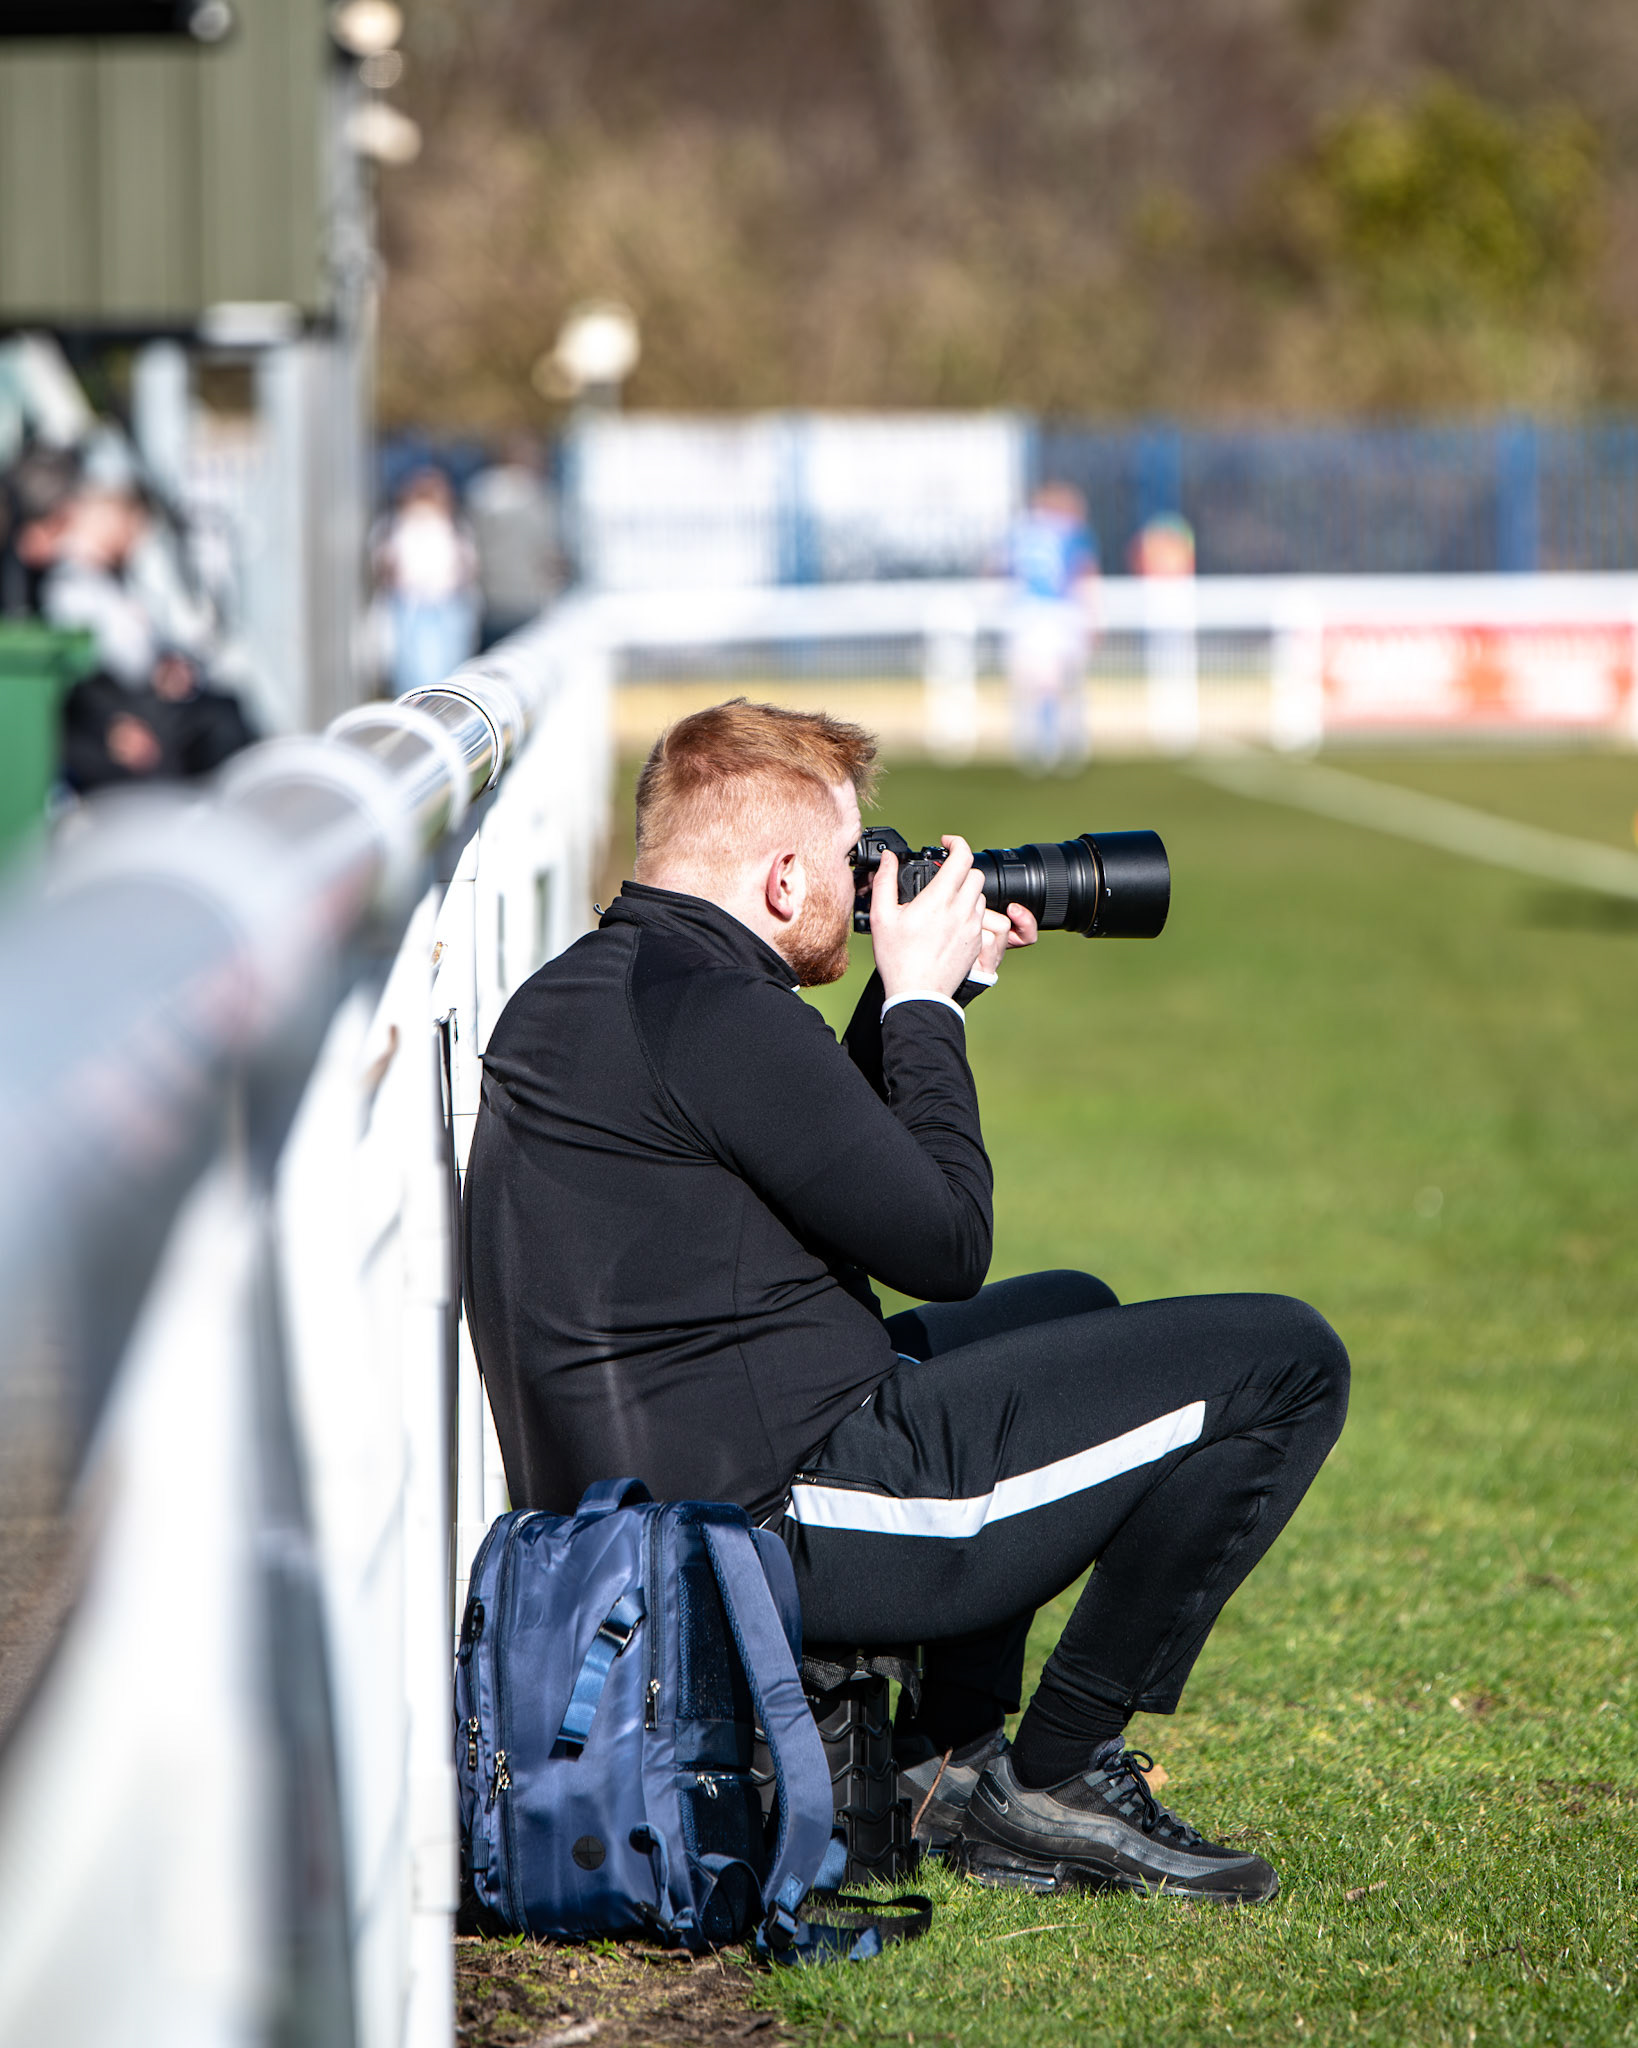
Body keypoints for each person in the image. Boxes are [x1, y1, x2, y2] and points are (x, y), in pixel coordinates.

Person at [462, 699, 1348, 1905]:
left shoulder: (615, 987)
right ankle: (1060, 1773)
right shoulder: (723, 1011)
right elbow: (943, 1241)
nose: (871, 886)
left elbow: (826, 1164)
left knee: (1072, 1305)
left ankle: (947, 1764)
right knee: (1286, 1360)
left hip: (676, 1513)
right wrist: (921, 1009)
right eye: (854, 859)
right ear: (783, 878)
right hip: (771, 1527)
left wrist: (936, 993)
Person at [1006, 482, 1098, 773]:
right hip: (1060, 614)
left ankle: (1038, 746)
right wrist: (1093, 616)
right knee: (1063, 684)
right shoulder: (1072, 532)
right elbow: (1084, 573)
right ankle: (1063, 744)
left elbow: (999, 569)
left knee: (1036, 686)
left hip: (1027, 615)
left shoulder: (1021, 532)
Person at [372, 467, 480, 697]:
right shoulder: (398, 525)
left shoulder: (451, 525)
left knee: (437, 665)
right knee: (416, 666)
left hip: (440, 604)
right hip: (413, 605)